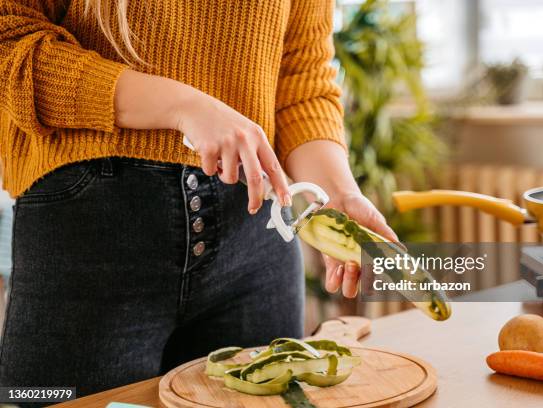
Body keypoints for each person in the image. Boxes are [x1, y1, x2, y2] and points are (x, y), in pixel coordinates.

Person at [0, 0, 397, 397]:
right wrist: (183, 106)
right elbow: (9, 46)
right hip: (90, 236)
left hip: (255, 238)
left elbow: (301, 82)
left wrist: (338, 194)